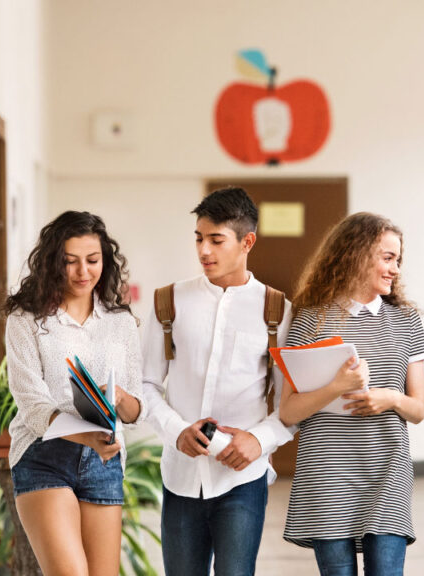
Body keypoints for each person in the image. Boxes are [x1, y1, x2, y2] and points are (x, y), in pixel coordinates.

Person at [140, 186, 294, 576]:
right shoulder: (168, 302)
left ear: (247, 242)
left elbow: (292, 405)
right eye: (198, 238)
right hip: (181, 478)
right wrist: (176, 431)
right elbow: (145, 385)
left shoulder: (276, 310)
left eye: (216, 240)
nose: (204, 251)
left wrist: (258, 440)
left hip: (243, 478)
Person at [279, 212, 424, 576]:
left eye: (398, 259)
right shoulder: (310, 320)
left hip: (388, 466)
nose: (395, 269)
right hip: (327, 470)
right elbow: (288, 411)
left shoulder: (407, 321)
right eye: (387, 257)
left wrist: (390, 399)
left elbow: (419, 409)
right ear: (356, 254)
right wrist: (336, 387)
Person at [2, 210, 145, 575]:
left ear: (105, 261)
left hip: (104, 461)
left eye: (92, 260)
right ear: (52, 263)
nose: (83, 272)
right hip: (44, 455)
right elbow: (33, 406)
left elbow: (134, 410)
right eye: (70, 262)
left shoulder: (121, 323)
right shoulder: (26, 320)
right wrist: (87, 436)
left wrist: (120, 400)